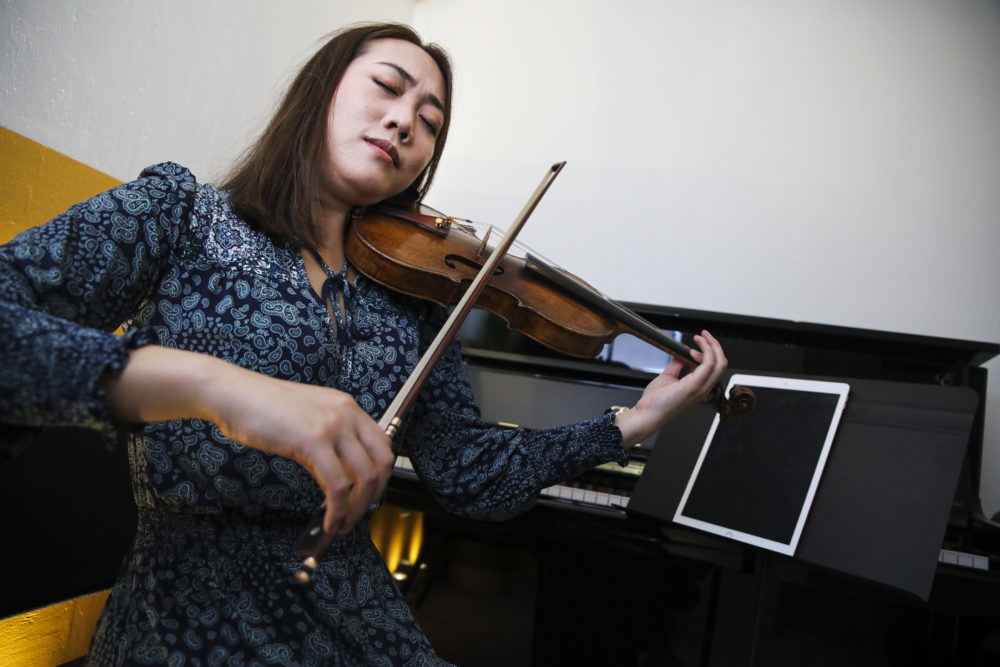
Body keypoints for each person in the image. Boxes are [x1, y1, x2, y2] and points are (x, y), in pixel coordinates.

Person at [0, 22, 727, 666]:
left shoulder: (412, 294)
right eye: (387, 86)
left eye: (430, 120)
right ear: (320, 92)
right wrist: (211, 384)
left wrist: (634, 421)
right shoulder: (183, 213)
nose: (406, 120)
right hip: (190, 604)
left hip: (352, 605)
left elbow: (471, 476)